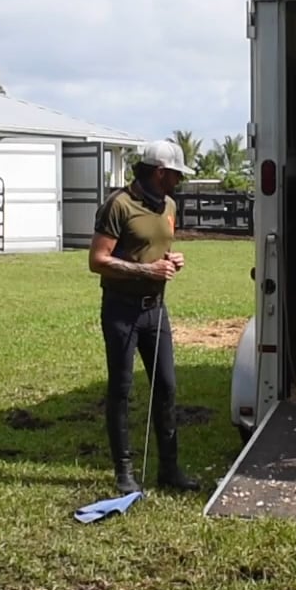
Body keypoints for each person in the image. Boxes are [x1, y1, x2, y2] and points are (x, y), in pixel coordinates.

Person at [88, 139, 202, 495]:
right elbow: (97, 260)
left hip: (156, 310)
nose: (179, 182)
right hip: (122, 311)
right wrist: (145, 271)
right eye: (176, 175)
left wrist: (171, 261)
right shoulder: (118, 205)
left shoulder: (168, 205)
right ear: (159, 172)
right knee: (121, 391)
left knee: (166, 388)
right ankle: (124, 472)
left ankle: (169, 469)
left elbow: (158, 247)